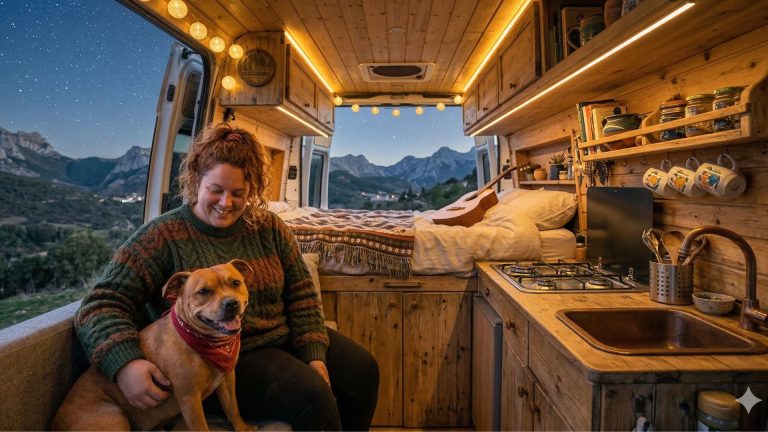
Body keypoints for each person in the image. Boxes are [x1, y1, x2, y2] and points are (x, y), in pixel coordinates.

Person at [74, 124, 379, 430]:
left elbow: (301, 294)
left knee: (363, 371)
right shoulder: (161, 235)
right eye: (216, 190)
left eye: (238, 193)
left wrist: (314, 354)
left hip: (282, 338)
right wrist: (124, 363)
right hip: (220, 358)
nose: (226, 203)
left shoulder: (269, 227)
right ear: (196, 182)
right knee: (312, 399)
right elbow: (100, 305)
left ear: (252, 190)